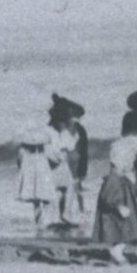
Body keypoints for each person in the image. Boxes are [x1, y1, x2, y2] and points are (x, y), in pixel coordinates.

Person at [94, 124, 137, 263]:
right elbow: (109, 195)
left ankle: (116, 251)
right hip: (118, 211)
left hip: (122, 209)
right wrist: (119, 206)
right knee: (125, 230)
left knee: (127, 230)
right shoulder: (115, 178)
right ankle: (116, 251)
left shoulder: (123, 178)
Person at [46, 95, 84, 229]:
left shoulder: (64, 132)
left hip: (62, 165)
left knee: (68, 189)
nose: (64, 124)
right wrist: (59, 154)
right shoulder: (48, 131)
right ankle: (55, 217)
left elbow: (71, 145)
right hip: (52, 165)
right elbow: (48, 151)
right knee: (55, 192)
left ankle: (65, 215)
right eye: (63, 122)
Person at [15, 119, 57, 228]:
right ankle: (47, 221)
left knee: (35, 200)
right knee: (47, 196)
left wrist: (20, 168)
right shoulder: (44, 146)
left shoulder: (24, 147)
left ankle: (38, 222)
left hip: (29, 170)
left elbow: (19, 158)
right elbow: (51, 157)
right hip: (43, 168)